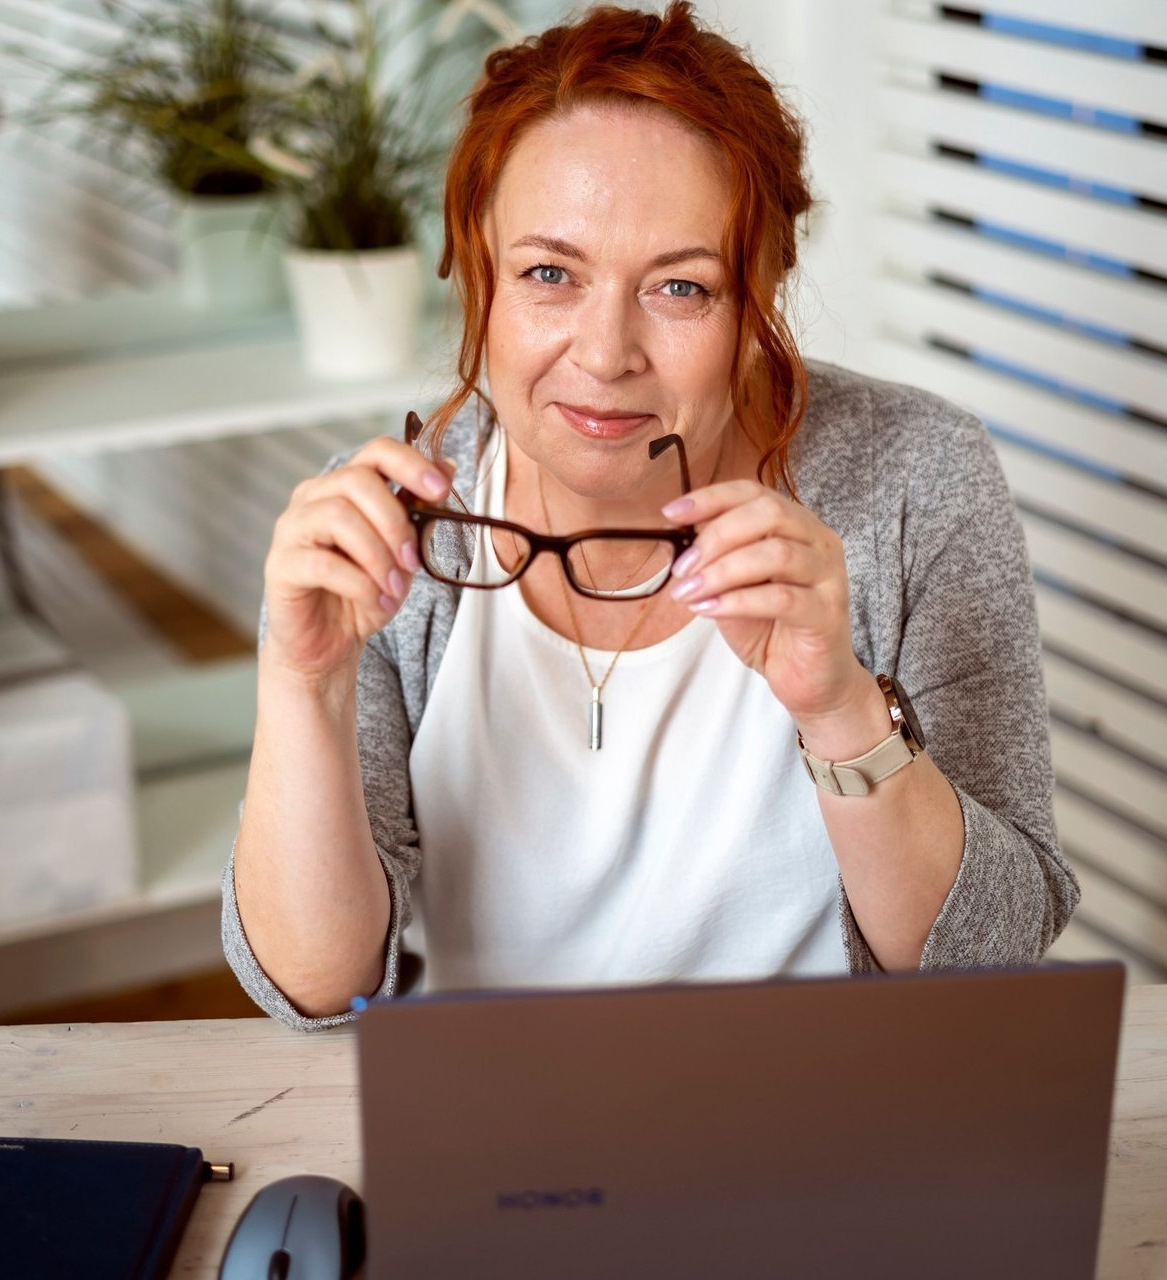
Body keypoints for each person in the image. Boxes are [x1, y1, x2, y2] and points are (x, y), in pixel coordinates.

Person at [223, 2, 1078, 1029]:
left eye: (680, 287)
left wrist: (839, 708)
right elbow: (316, 983)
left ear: (761, 293)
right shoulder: (383, 525)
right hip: (498, 1128)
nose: (603, 352)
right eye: (549, 274)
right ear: (474, 270)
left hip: (825, 1119)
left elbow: (987, 962)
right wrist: (302, 682)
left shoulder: (912, 474)